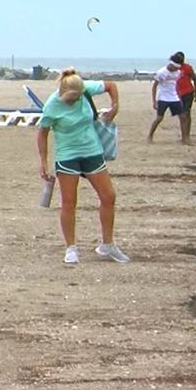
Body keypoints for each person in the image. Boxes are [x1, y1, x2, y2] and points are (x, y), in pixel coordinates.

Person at [36, 67, 129, 264]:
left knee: (108, 196)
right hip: (68, 154)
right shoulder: (52, 104)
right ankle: (71, 247)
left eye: (77, 98)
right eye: (70, 98)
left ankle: (107, 245)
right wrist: (43, 161)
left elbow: (111, 85)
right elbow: (42, 133)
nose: (74, 101)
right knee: (69, 202)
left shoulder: (84, 88)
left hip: (92, 150)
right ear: (62, 93)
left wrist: (115, 106)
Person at [147, 56, 189, 143]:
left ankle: (184, 139)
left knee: (183, 117)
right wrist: (154, 101)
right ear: (171, 64)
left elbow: (175, 85)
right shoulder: (161, 73)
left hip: (174, 97)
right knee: (159, 118)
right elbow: (154, 87)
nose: (175, 69)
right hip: (163, 97)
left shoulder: (178, 72)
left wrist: (179, 96)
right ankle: (150, 136)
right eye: (175, 67)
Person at [173, 52, 196, 145]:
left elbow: (195, 79)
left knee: (186, 114)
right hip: (177, 94)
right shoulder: (174, 68)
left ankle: (187, 137)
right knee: (181, 116)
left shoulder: (187, 67)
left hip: (188, 93)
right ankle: (184, 136)